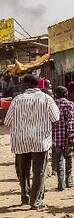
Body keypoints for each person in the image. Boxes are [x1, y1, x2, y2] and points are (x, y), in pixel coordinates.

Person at [5, 74, 60, 209]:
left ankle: (25, 195)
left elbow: (7, 121)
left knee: (23, 171)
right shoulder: (47, 99)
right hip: (40, 141)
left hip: (20, 141)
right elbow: (55, 119)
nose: (21, 86)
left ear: (28, 84)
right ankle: (36, 201)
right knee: (39, 171)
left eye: (22, 83)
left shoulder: (17, 100)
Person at [51, 86, 74, 191]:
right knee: (68, 158)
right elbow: (71, 120)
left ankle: (60, 183)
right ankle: (68, 181)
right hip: (67, 137)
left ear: (56, 94)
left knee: (59, 160)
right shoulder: (69, 104)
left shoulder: (52, 104)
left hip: (56, 137)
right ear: (66, 94)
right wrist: (71, 134)